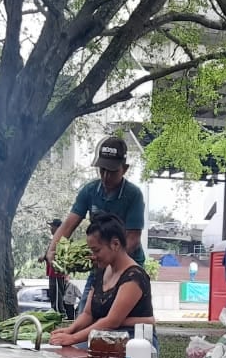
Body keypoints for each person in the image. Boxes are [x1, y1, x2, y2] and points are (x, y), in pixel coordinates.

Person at [47, 137, 146, 321]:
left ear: (124, 169)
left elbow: (133, 238)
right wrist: (52, 249)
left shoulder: (134, 195)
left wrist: (110, 258)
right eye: (102, 170)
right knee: (86, 314)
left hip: (128, 268)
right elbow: (69, 224)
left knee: (119, 320)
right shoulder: (90, 191)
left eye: (112, 171)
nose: (106, 176)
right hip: (99, 267)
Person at [49, 214, 156, 347]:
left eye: (96, 250)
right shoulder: (101, 271)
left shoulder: (134, 276)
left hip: (133, 342)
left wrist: (73, 338)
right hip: (103, 334)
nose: (93, 256)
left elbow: (112, 322)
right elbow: (88, 313)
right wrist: (70, 330)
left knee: (78, 352)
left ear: (115, 244)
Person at [44, 218, 70, 314]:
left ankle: (59, 315)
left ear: (58, 228)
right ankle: (56, 313)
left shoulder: (61, 241)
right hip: (52, 274)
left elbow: (60, 256)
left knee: (57, 298)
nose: (51, 229)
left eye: (52, 226)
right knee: (53, 296)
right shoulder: (54, 240)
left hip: (56, 274)